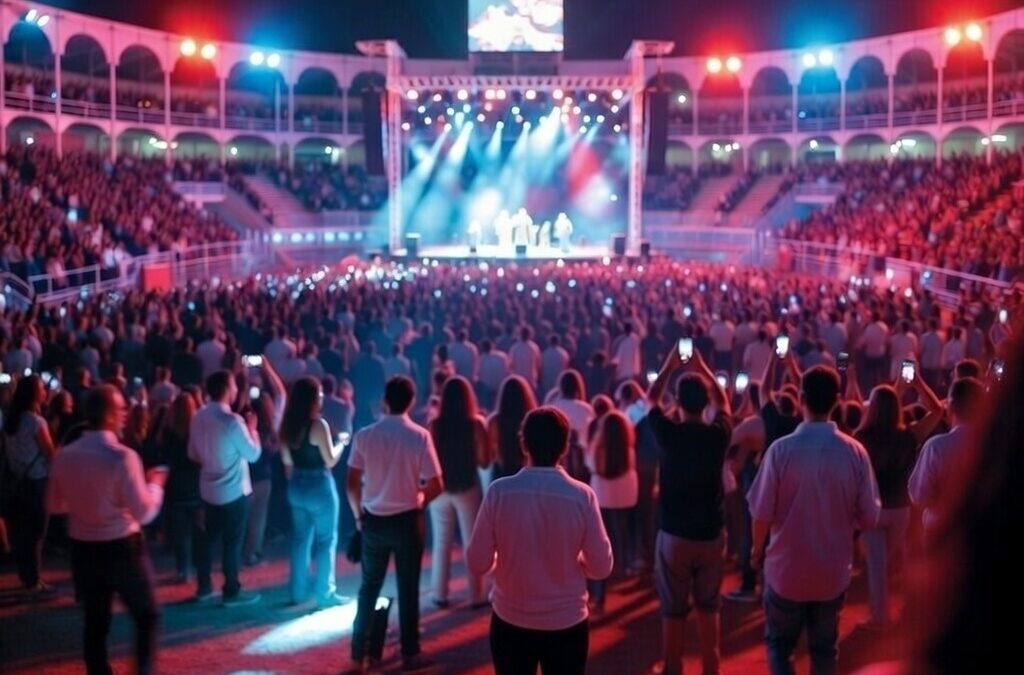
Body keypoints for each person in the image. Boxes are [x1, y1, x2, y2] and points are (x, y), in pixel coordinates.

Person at [747, 366, 881, 675]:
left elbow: (761, 512)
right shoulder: (855, 453)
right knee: (824, 651)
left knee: (780, 646)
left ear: (802, 399)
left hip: (785, 570)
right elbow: (870, 517)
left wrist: (756, 553)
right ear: (836, 400)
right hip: (831, 572)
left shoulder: (781, 450)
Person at [466, 407, 613, 675]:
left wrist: (504, 560)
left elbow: (477, 561)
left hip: (510, 618)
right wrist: (577, 561)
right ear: (565, 448)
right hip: (567, 622)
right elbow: (601, 567)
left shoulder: (499, 492)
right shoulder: (583, 497)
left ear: (524, 444)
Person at [47, 384, 166, 675]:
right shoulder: (122, 457)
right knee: (146, 613)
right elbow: (145, 512)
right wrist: (155, 485)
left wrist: (86, 503)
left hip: (83, 548)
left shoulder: (65, 455)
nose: (126, 414)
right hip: (122, 547)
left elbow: (54, 504)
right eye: (121, 409)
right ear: (110, 415)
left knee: (95, 622)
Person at [346, 376, 443, 672]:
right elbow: (437, 483)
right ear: (412, 402)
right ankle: (410, 652)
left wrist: (359, 515)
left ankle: (358, 654)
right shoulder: (419, 436)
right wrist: (418, 500)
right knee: (408, 587)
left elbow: (351, 483)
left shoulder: (365, 435)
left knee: (368, 587)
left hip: (374, 520)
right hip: (407, 520)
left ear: (385, 401)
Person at [646, 348, 733, 675]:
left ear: (679, 403)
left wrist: (670, 364)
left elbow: (651, 399)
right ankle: (712, 666)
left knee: (673, 609)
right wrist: (705, 369)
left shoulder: (669, 434)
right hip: (711, 532)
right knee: (709, 606)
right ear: (705, 402)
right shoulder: (717, 435)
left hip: (675, 533)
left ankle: (672, 667)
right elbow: (724, 403)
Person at [854, 373, 943, 628]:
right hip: (900, 510)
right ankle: (898, 612)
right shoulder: (908, 436)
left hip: (873, 508)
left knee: (877, 565)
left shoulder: (863, 436)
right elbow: (937, 411)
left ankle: (880, 617)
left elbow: (874, 411)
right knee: (887, 562)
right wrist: (916, 384)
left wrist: (896, 391)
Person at [188, 370, 262, 606]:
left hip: (207, 490)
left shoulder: (198, 416)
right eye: (234, 386)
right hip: (233, 491)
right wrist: (253, 429)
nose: (237, 390)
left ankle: (204, 588)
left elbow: (192, 453)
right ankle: (231, 590)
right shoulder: (232, 421)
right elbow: (252, 454)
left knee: (208, 541)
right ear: (227, 389)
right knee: (232, 542)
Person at [278, 377, 346, 608]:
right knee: (326, 540)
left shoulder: (286, 425)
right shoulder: (318, 425)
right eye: (319, 394)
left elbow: (287, 463)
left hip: (296, 484)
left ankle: (297, 593)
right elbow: (329, 460)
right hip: (319, 485)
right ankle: (325, 593)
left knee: (299, 541)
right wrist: (341, 444)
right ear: (313, 399)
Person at [428, 376, 489, 608]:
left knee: (442, 541)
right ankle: (475, 594)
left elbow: (429, 459)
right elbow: (484, 462)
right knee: (471, 541)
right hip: (466, 486)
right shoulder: (475, 424)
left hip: (441, 489)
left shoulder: (434, 425)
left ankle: (439, 594)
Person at [908, 377, 985, 542]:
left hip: (940, 530)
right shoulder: (994, 446)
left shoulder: (936, 447)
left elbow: (919, 495)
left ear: (951, 407)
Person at [2, 374, 57, 593]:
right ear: (35, 394)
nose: (45, 392)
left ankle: (28, 577)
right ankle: (34, 581)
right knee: (37, 533)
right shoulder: (36, 422)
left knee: (23, 532)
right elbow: (50, 454)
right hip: (37, 482)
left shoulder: (10, 421)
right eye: (42, 389)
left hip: (17, 481)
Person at [585, 410, 637, 613]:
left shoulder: (597, 450)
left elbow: (589, 466)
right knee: (621, 534)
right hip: (624, 499)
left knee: (600, 543)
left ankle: (600, 591)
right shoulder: (628, 451)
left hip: (602, 498)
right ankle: (623, 565)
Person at [157, 393, 201, 584]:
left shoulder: (167, 432)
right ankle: (200, 569)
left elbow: (163, 457)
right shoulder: (196, 431)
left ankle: (183, 569)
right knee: (198, 530)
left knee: (180, 533)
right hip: (194, 485)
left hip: (174, 487)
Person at [488, 376, 537, 479]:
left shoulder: (494, 421)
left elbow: (490, 454)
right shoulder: (532, 420)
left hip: (500, 473)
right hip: (526, 471)